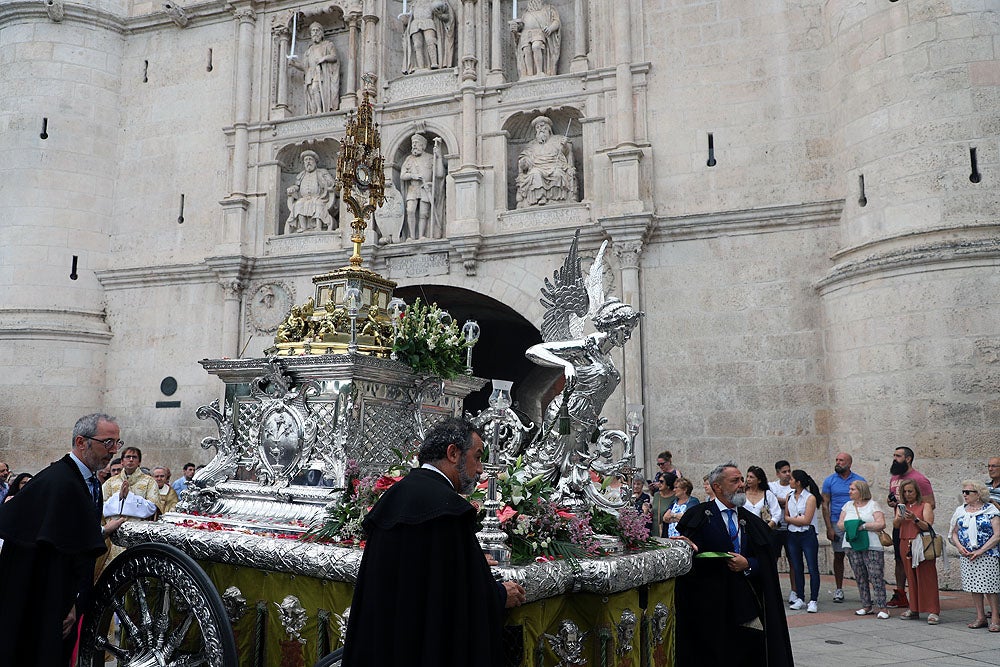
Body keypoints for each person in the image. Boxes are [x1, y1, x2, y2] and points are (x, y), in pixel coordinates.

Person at [342, 418, 526, 665]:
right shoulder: (449, 511)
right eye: (477, 457)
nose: (480, 469)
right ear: (453, 453)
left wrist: (469, 558)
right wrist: (501, 594)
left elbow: (422, 573)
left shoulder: (394, 498)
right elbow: (460, 600)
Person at [0, 413, 126, 664]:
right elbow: (57, 551)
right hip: (43, 600)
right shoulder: (60, 482)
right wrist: (67, 603)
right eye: (107, 442)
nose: (113, 450)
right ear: (81, 442)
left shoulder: (84, 480)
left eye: (117, 443)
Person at [674, 462, 793, 666]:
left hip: (745, 604)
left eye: (742, 479)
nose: (742, 484)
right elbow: (690, 556)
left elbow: (766, 560)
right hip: (709, 606)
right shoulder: (698, 516)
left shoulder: (752, 521)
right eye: (735, 480)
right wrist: (686, 548)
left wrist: (748, 564)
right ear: (717, 487)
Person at [887, 446, 935, 609]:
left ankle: (924, 600)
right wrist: (892, 503)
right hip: (900, 524)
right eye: (894, 455)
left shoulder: (920, 479)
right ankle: (901, 594)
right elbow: (896, 499)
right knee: (899, 560)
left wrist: (915, 515)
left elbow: (931, 503)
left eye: (898, 456)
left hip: (916, 527)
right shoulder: (894, 477)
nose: (894, 458)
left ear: (908, 459)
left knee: (920, 564)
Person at [949, 480, 1000, 631]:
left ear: (978, 495)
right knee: (974, 586)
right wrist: (959, 547)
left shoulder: (991, 510)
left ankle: (996, 618)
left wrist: (981, 550)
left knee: (990, 587)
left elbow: (997, 535)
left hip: (987, 554)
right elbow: (954, 532)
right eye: (963, 492)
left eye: (968, 492)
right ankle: (980, 617)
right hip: (967, 554)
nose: (964, 495)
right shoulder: (961, 510)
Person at [836, 480, 890, 619]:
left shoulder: (873, 505)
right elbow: (840, 524)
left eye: (853, 489)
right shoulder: (847, 506)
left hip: (872, 544)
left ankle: (882, 606)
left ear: (861, 490)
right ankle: (866, 605)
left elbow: (881, 523)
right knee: (860, 575)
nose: (850, 492)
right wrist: (852, 525)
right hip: (852, 544)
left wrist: (863, 526)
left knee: (875, 575)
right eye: (850, 489)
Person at [102, 445, 160, 563]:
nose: (131, 460)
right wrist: (119, 497)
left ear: (139, 462)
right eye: (128, 457)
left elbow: (152, 508)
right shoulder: (110, 482)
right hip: (113, 535)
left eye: (134, 457)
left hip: (138, 534)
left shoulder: (149, 481)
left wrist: (129, 497)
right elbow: (100, 507)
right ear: (122, 461)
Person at [894, 479, 940, 623]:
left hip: (920, 543)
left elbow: (928, 525)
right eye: (905, 492)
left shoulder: (924, 505)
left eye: (910, 491)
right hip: (905, 542)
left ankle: (933, 610)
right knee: (910, 577)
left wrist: (915, 519)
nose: (907, 494)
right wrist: (900, 518)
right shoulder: (902, 507)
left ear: (916, 492)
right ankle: (914, 608)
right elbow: (895, 525)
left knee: (927, 576)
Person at [821, 452, 865, 603]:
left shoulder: (859, 480)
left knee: (859, 557)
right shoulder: (829, 481)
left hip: (855, 523)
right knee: (838, 555)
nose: (838, 462)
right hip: (836, 522)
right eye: (837, 460)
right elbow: (825, 504)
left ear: (849, 463)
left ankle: (863, 589)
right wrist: (829, 528)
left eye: (841, 460)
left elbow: (866, 501)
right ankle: (839, 589)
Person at [515, 115, 577, 208]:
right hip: (537, 167)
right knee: (534, 174)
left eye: (543, 126)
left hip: (555, 165)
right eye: (538, 127)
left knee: (558, 174)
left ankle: (557, 199)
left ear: (548, 128)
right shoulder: (531, 144)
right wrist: (524, 162)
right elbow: (525, 157)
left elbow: (567, 153)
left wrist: (564, 146)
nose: (541, 129)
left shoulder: (558, 139)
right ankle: (540, 198)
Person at [785, 469, 823, 612]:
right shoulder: (789, 496)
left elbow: (807, 520)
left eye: (792, 479)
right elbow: (786, 516)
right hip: (792, 535)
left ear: (798, 482)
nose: (790, 482)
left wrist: (795, 520)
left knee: (812, 567)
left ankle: (813, 599)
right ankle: (800, 597)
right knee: (797, 566)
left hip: (807, 535)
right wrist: (796, 520)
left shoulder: (810, 498)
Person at [398, 133, 446, 240]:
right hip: (413, 188)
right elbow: (402, 175)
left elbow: (439, 174)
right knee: (410, 210)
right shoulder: (409, 159)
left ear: (423, 146)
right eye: (413, 143)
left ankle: (421, 236)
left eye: (416, 143)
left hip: (426, 188)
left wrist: (438, 157)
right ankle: (411, 236)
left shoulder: (430, 158)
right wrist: (413, 176)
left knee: (424, 213)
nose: (414, 146)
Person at [289, 22, 340, 115]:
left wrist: (323, 58)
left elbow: (334, 57)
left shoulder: (328, 45)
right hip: (310, 74)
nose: (315, 32)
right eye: (313, 31)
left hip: (321, 72)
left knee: (315, 89)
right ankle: (314, 111)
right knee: (311, 93)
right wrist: (294, 64)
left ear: (321, 33)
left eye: (317, 30)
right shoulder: (309, 50)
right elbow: (304, 66)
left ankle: (320, 110)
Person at [286, 150, 337, 233]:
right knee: (299, 204)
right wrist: (292, 188)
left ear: (315, 162)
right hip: (304, 198)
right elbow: (297, 186)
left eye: (310, 159)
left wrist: (329, 182)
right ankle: (303, 227)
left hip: (319, 197)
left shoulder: (322, 172)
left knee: (317, 203)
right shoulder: (301, 175)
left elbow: (331, 183)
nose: (308, 162)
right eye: (306, 160)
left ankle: (318, 226)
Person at [399, 0, 456, 73]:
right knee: (417, 45)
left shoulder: (432, 2)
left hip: (428, 21)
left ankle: (434, 63)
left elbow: (446, 16)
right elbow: (410, 18)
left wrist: (440, 14)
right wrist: (406, 20)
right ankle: (421, 67)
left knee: (430, 40)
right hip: (415, 24)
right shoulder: (414, 4)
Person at [511, 0, 561, 78]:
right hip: (525, 34)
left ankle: (539, 72)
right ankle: (529, 74)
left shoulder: (549, 9)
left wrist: (550, 28)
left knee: (536, 46)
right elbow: (520, 27)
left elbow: (556, 21)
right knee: (526, 50)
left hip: (538, 32)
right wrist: (516, 28)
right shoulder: (525, 13)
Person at [769, 460, 796, 602]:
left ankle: (794, 591)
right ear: (777, 473)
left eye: (788, 471)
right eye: (784, 472)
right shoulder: (771, 486)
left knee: (793, 560)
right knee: (773, 560)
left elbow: (796, 502)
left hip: (791, 528)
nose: (787, 474)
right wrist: (788, 501)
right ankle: (773, 590)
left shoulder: (794, 486)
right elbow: (771, 500)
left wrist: (783, 501)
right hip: (775, 529)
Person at [649, 471, 677, 537]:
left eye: (661, 482)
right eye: (658, 481)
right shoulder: (656, 495)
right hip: (654, 530)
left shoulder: (675, 497)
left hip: (667, 531)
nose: (658, 484)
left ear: (668, 484)